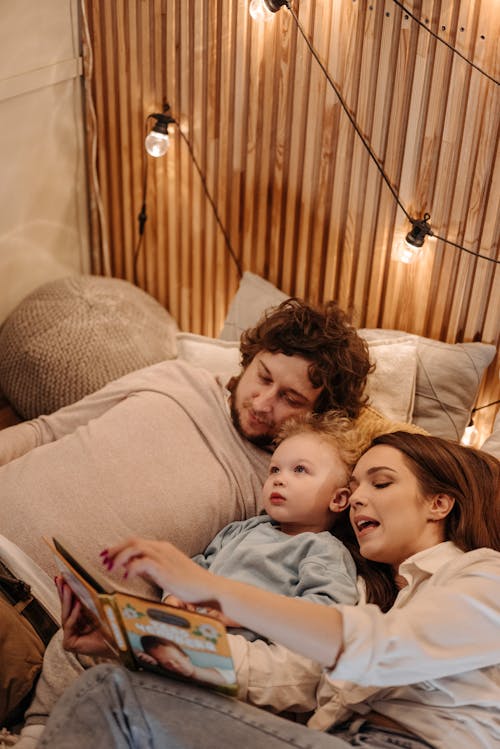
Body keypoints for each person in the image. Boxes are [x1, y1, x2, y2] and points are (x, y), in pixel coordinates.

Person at [36, 432, 500, 749]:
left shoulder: (485, 577)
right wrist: (138, 639)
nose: (357, 497)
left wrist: (212, 590)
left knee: (111, 695)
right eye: (354, 485)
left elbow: (384, 646)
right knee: (118, 680)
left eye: (380, 483)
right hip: (335, 737)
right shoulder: (370, 597)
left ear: (440, 503)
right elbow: (283, 677)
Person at [0, 298, 372, 582]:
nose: (262, 403)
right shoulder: (175, 376)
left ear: (319, 415)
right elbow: (43, 431)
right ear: (249, 359)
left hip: (33, 602)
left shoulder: (287, 483)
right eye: (262, 376)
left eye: (290, 399)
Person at [161, 412, 361, 627]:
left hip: (243, 651)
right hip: (188, 633)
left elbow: (326, 614)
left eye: (300, 469)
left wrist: (246, 615)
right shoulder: (240, 530)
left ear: (338, 499)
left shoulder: (322, 550)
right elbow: (196, 569)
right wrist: (174, 595)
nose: (279, 479)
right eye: (274, 470)